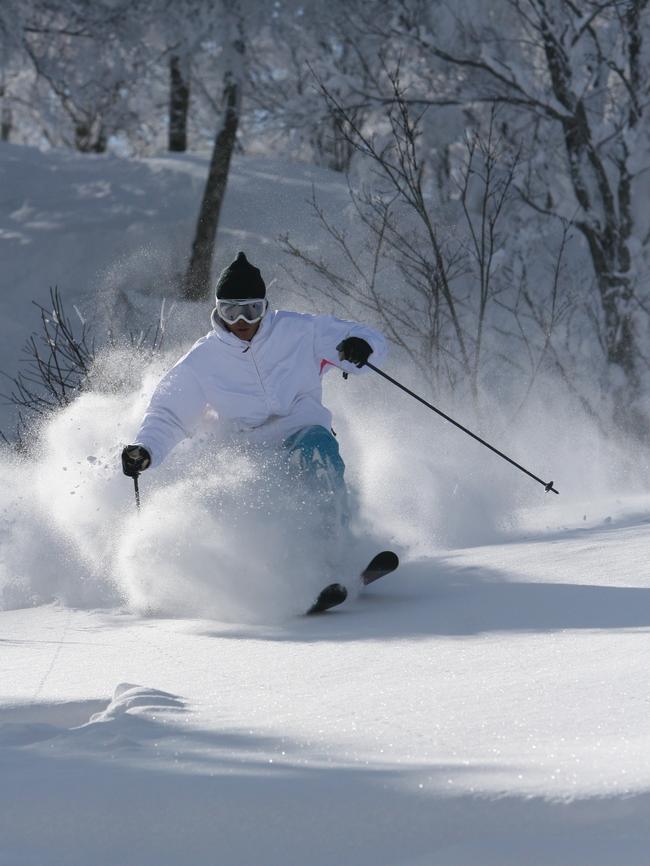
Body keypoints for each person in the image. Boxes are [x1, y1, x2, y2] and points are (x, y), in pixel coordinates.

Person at [121, 251, 387, 542]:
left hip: (303, 430)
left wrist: (361, 347)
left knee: (317, 452)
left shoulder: (300, 331)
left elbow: (360, 334)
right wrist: (146, 449)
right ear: (218, 311)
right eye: (230, 311)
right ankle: (280, 567)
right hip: (248, 450)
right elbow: (169, 414)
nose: (242, 320)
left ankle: (337, 547)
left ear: (265, 308)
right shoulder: (202, 360)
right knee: (249, 497)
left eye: (251, 309)